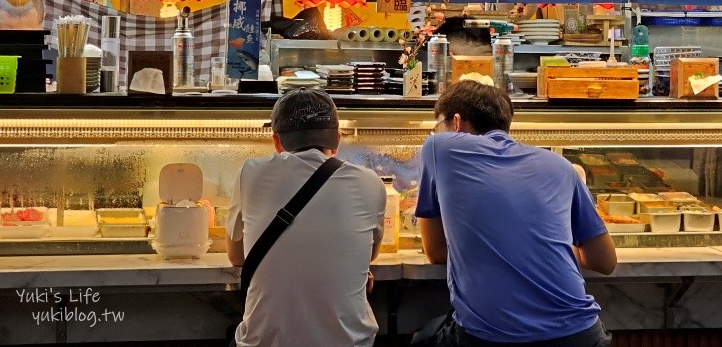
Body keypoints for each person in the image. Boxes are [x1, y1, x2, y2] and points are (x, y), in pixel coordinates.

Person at [415, 79, 617, 347]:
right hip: (581, 335)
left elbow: (436, 252)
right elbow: (604, 261)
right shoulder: (561, 165)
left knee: (423, 337)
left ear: (456, 122)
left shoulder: (440, 148)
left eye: (438, 127)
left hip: (493, 338)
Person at [226, 89, 387, 347]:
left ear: (277, 142)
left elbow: (236, 256)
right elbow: (369, 254)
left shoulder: (251, 173)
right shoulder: (370, 182)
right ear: (338, 140)